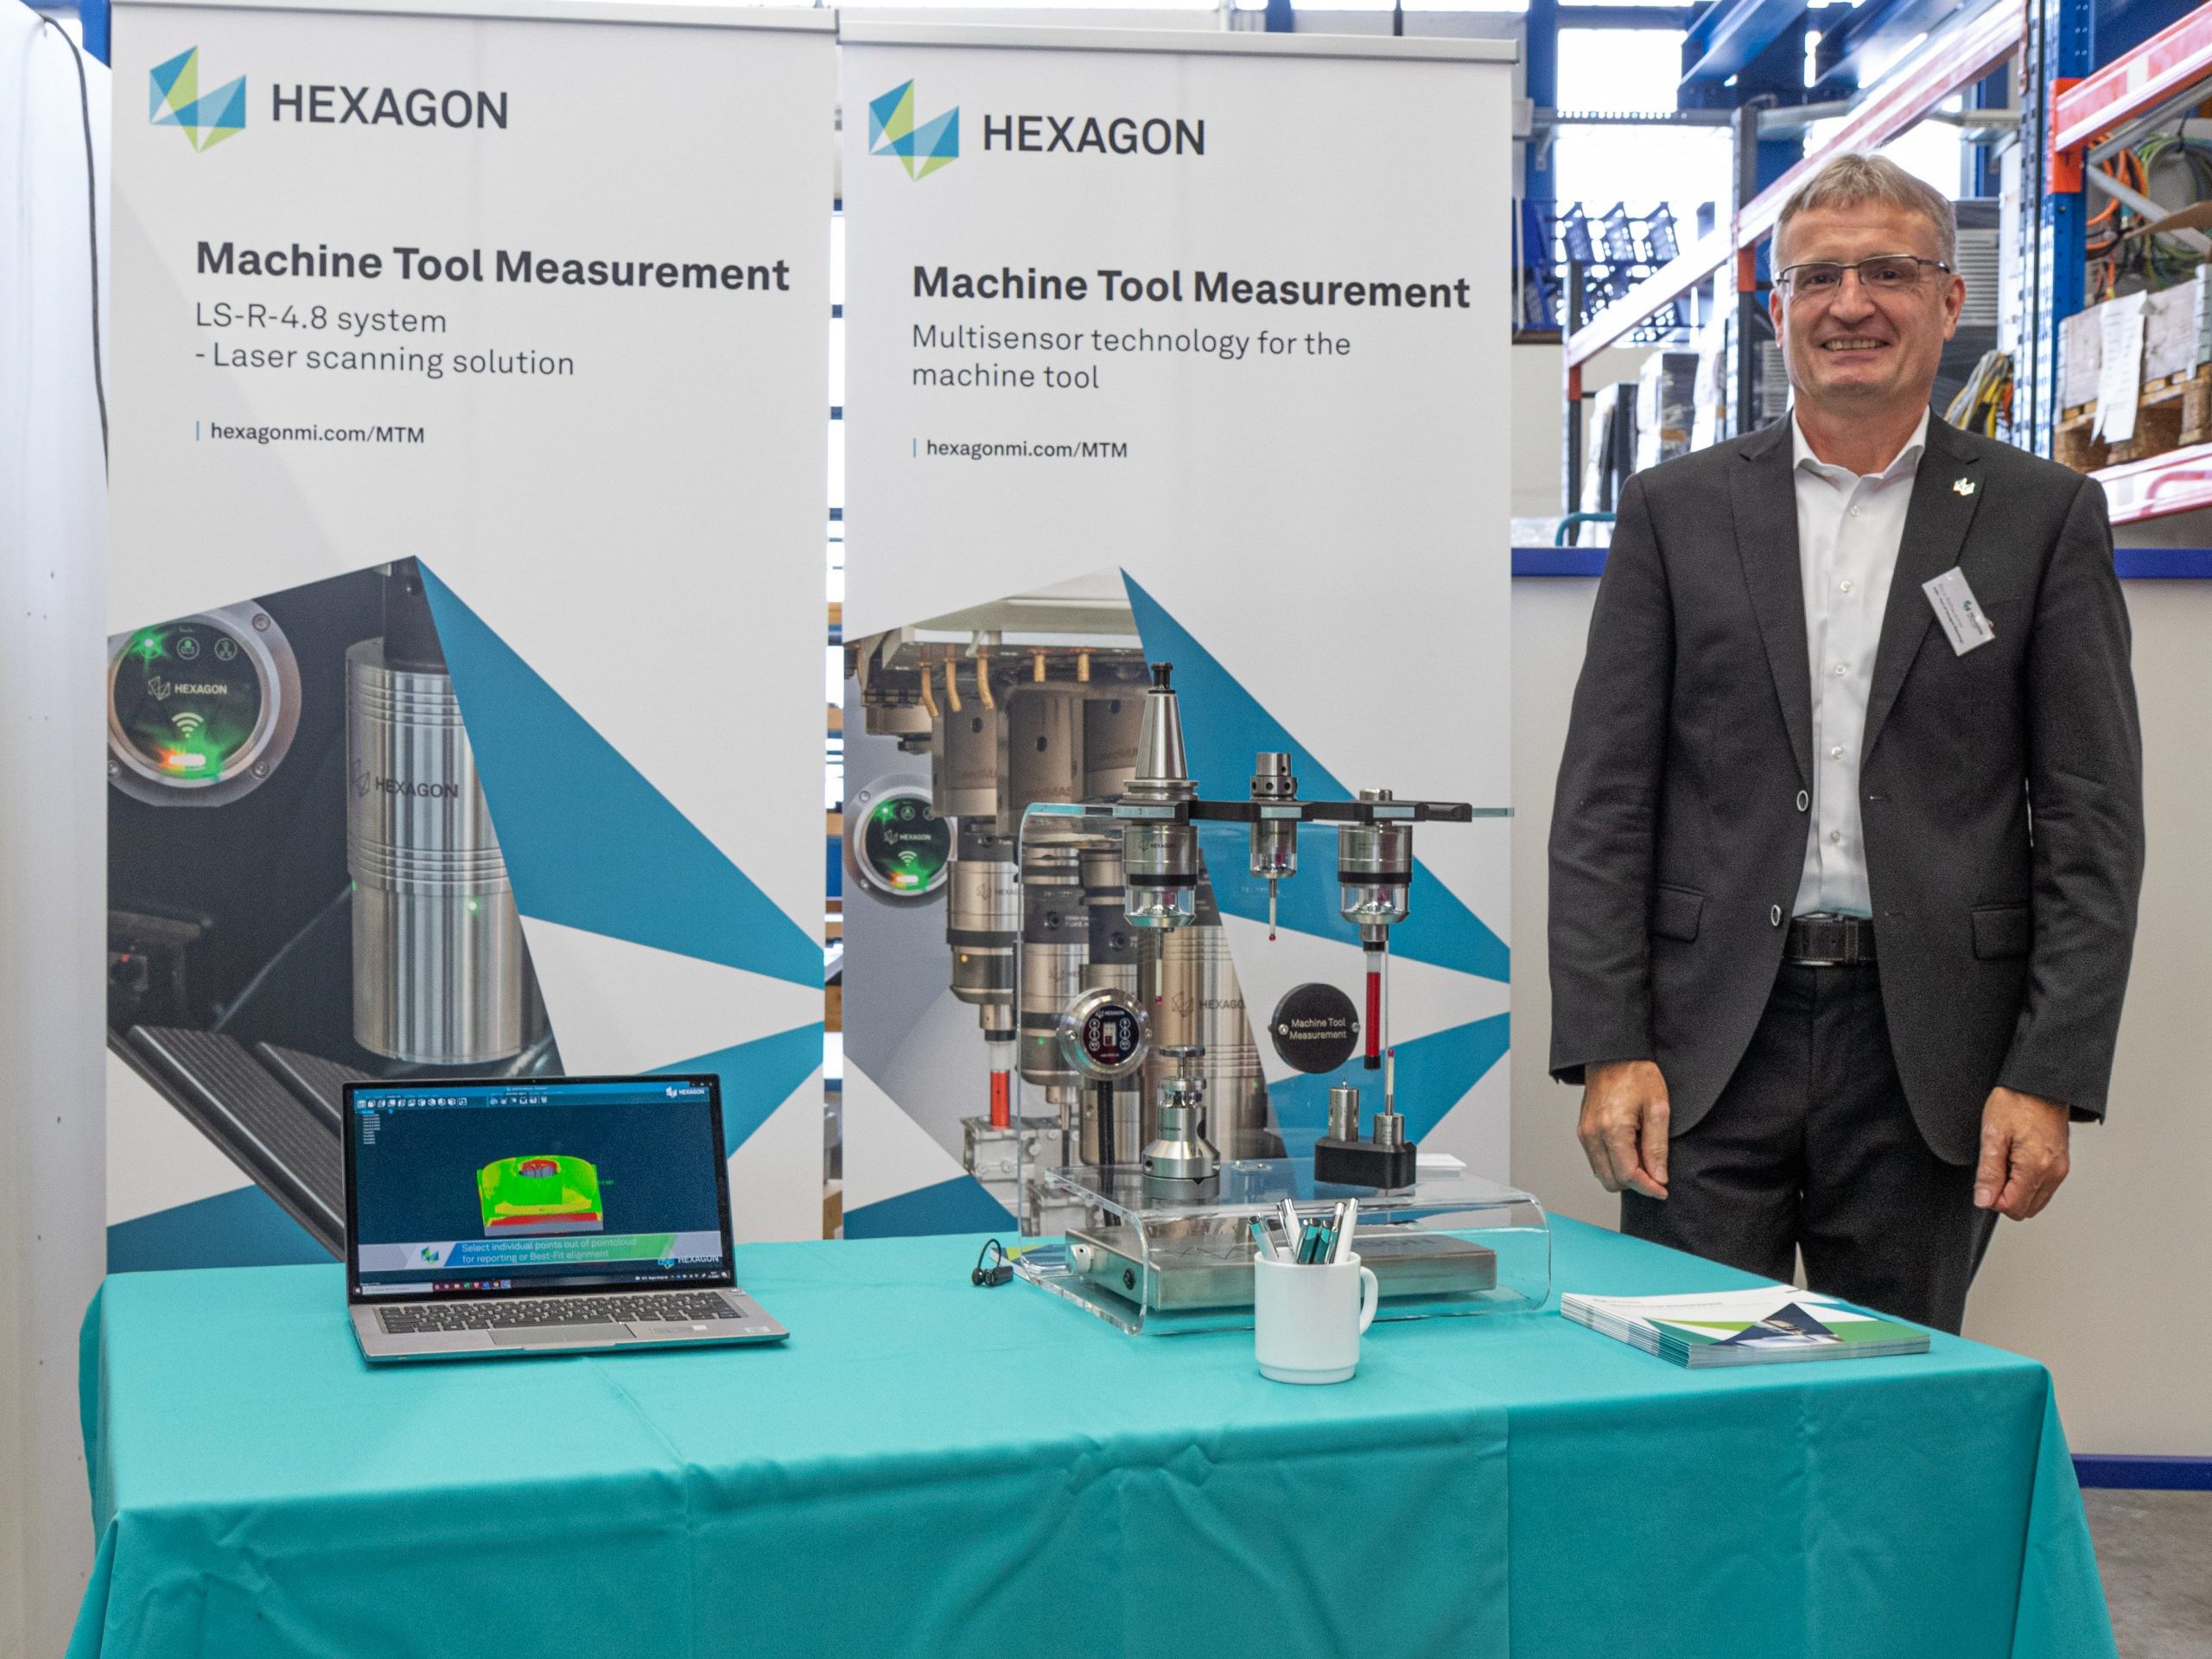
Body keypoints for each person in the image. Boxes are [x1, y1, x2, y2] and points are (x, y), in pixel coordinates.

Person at [1547, 153, 2145, 1333]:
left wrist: (2049, 1072)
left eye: (1888, 272)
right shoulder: (1676, 512)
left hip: (1933, 1054)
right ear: (1779, 309)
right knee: (1690, 1383)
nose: (1850, 304)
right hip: (1706, 1046)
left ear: (1949, 300)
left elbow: (2092, 823)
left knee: (1888, 1395)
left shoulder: (2042, 519)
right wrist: (1609, 1044)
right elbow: (1605, 804)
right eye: (1817, 277)